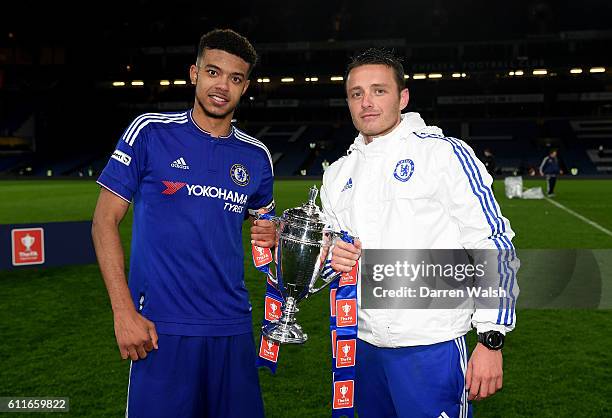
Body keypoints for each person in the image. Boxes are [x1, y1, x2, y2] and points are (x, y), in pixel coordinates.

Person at [320, 49, 517, 418]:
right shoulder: (338, 173)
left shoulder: (442, 155)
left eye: (379, 90)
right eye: (356, 93)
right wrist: (330, 254)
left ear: (403, 97)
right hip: (361, 347)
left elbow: (490, 241)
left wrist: (491, 338)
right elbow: (327, 254)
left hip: (432, 345)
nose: (367, 103)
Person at [92, 29, 276, 418]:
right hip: (161, 328)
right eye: (213, 72)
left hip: (232, 328)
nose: (222, 86)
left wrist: (271, 234)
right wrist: (122, 312)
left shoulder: (256, 156)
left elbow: (265, 230)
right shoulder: (150, 132)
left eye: (236, 78)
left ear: (246, 87)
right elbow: (103, 221)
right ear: (194, 73)